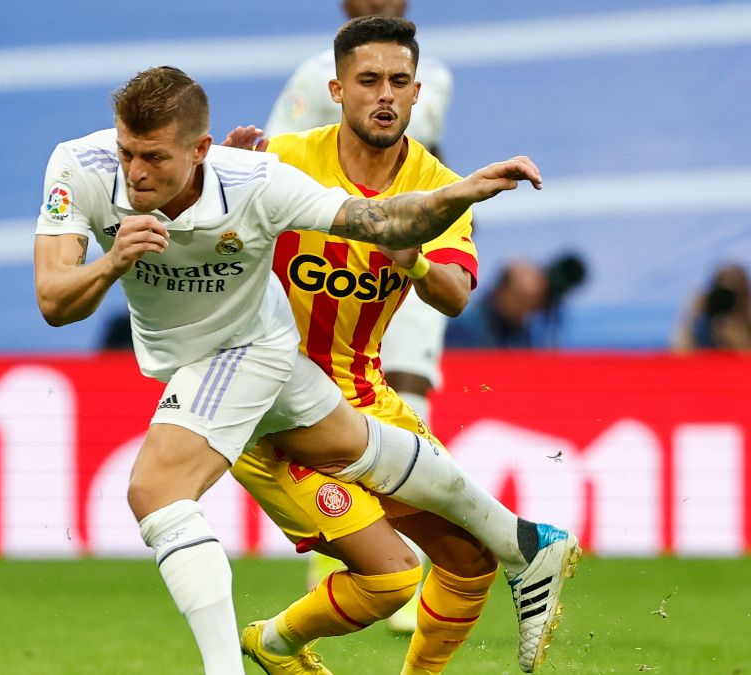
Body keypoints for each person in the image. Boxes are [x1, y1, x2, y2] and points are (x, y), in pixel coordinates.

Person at [34, 65, 577, 674]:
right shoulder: (78, 167)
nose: (135, 173)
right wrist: (111, 263)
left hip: (250, 349)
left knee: (156, 493)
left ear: (201, 150)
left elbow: (380, 222)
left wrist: (464, 191)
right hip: (222, 360)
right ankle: (523, 541)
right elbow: (55, 301)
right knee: (363, 447)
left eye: (155, 158)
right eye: (127, 152)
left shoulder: (254, 181)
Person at [223, 16, 563, 674]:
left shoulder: (436, 189)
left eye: (398, 81)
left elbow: (456, 295)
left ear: (415, 94)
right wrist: (221, 184)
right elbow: (203, 240)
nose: (384, 93)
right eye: (368, 80)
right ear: (338, 90)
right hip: (269, 409)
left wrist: (408, 260)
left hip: (362, 396)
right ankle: (274, 643)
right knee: (392, 579)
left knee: (469, 562)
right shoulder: (285, 161)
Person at [266, 1, 456, 630]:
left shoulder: (438, 77)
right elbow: (273, 165)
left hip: (403, 261)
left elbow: (426, 158)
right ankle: (342, 556)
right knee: (324, 405)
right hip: (332, 260)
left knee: (408, 387)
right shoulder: (313, 74)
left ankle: (408, 564)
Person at [672, 262, 751, 351]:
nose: (725, 299)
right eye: (721, 293)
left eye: (734, 291)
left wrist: (740, 337)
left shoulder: (747, 309)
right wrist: (691, 318)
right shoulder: (702, 308)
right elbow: (680, 350)